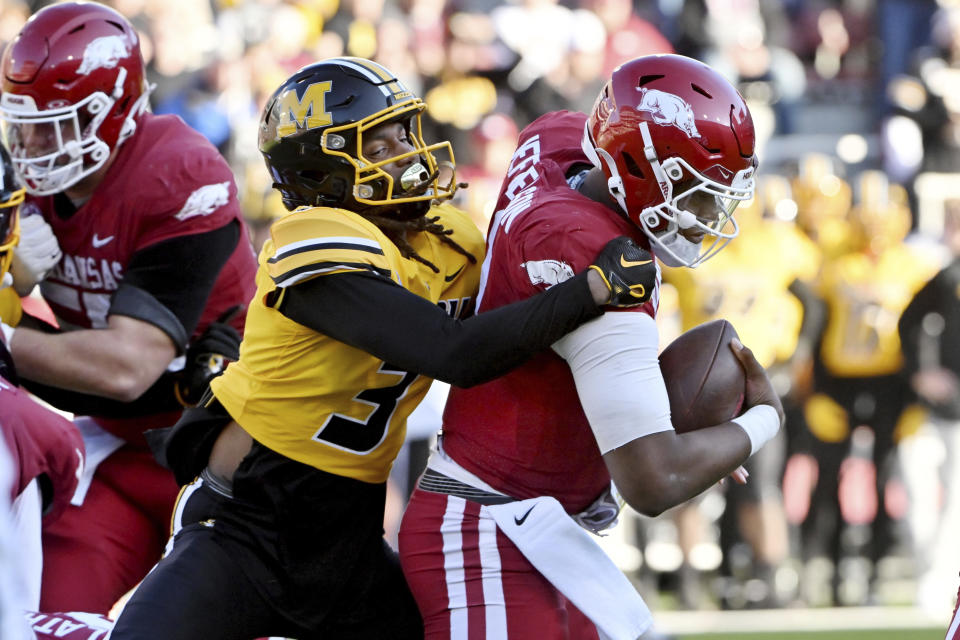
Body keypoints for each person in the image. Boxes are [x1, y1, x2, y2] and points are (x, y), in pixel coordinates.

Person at [108, 56, 655, 640]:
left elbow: (525, 347)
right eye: (381, 141)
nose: (410, 153)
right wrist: (591, 288)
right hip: (246, 523)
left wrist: (587, 474)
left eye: (406, 132)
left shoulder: (452, 241)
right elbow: (457, 353)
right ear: (322, 172)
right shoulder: (313, 235)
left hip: (349, 536)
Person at [398, 53, 785, 639]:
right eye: (701, 195)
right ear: (646, 169)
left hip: (534, 528)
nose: (709, 217)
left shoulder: (554, 142)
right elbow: (654, 481)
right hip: (488, 532)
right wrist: (761, 422)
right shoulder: (602, 265)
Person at [0, 1, 258, 614]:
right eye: (25, 124)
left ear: (111, 111)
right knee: (48, 614)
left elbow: (125, 367)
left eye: (55, 125)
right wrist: (8, 290)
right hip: (116, 447)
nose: (33, 146)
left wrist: (4, 333)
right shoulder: (23, 185)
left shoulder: (179, 173)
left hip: (222, 457)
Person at [898, 198, 960, 613]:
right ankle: (929, 576)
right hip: (933, 410)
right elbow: (908, 323)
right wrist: (922, 373)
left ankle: (941, 581)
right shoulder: (946, 278)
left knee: (954, 504)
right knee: (918, 496)